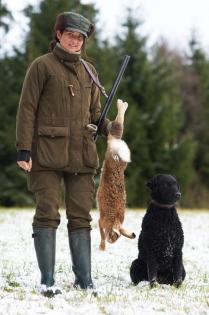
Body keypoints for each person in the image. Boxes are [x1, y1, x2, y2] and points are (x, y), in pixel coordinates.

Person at [16, 11, 123, 297]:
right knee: (47, 213)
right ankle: (48, 280)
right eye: (71, 35)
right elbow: (27, 109)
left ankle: (84, 280)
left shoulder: (90, 71)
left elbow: (95, 114)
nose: (76, 41)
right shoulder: (41, 67)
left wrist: (110, 127)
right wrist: (24, 149)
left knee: (81, 217)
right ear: (59, 35)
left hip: (81, 155)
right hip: (46, 154)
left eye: (81, 37)